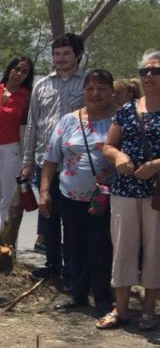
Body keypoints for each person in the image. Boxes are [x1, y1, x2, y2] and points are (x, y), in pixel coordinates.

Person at [39, 70, 115, 316]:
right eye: (90, 88)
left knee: (100, 246)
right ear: (83, 91)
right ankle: (77, 294)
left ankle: (103, 297)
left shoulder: (119, 120)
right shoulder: (68, 121)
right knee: (73, 245)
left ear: (111, 92)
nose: (96, 93)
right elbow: (51, 159)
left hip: (105, 198)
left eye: (102, 88)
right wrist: (44, 192)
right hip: (70, 197)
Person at [100, 50, 160, 331]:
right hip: (125, 188)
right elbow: (108, 146)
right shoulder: (127, 109)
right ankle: (121, 309)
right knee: (123, 248)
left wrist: (156, 164)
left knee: (155, 249)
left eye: (155, 71)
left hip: (156, 192)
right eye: (144, 72)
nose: (149, 76)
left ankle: (148, 310)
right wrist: (119, 157)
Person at [22, 33, 86, 282]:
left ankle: (73, 270)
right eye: (57, 54)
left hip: (75, 165)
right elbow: (32, 125)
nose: (60, 59)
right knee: (48, 215)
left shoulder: (87, 84)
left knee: (73, 221)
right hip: (44, 162)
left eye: (66, 53)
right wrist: (27, 162)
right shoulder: (42, 85)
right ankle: (52, 266)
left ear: (77, 55)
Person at [0, 56, 34, 240]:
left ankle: (6, 244)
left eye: (24, 71)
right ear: (10, 69)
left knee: (9, 200)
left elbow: (28, 127)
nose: (19, 73)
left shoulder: (27, 96)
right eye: (17, 69)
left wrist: (27, 159)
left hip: (11, 150)